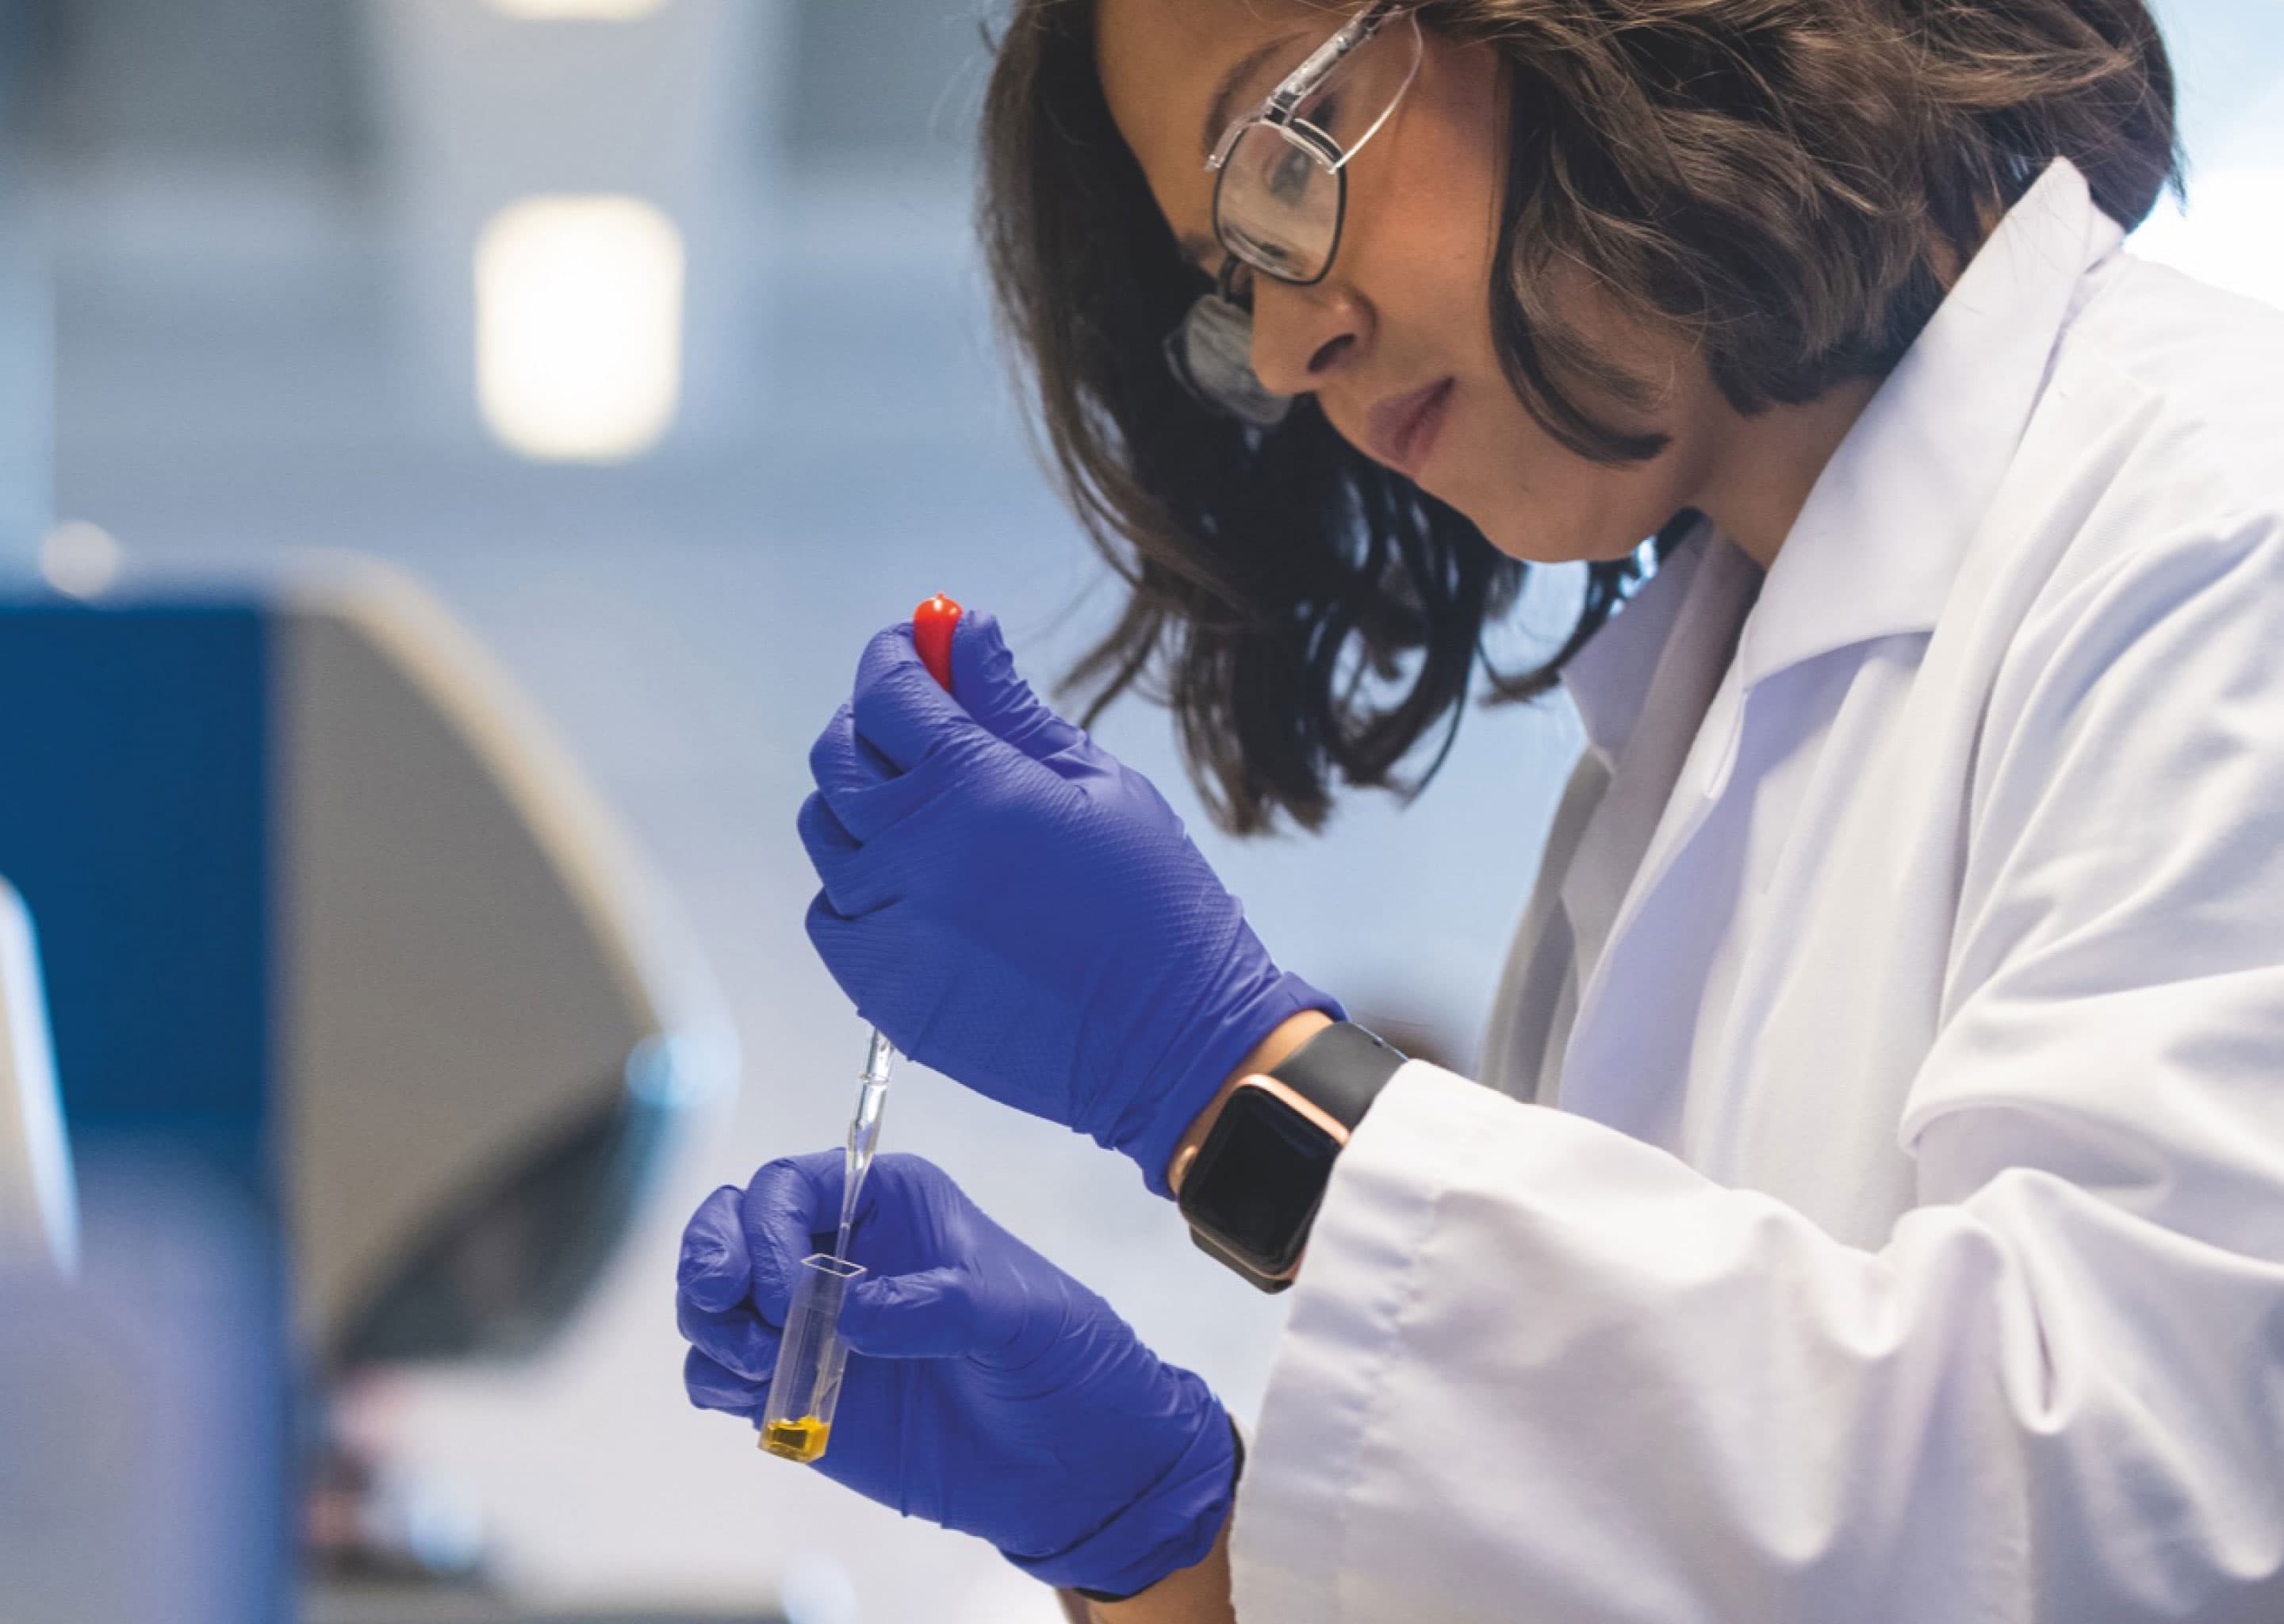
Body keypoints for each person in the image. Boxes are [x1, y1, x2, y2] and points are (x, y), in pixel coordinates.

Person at [676, 0, 2284, 1616]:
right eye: (1231, 281)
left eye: (1280, 161)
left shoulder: (2221, 519)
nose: (1283, 350)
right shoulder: (1655, 787)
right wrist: (1154, 1538)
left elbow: (2136, 1510)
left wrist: (1239, 1086)